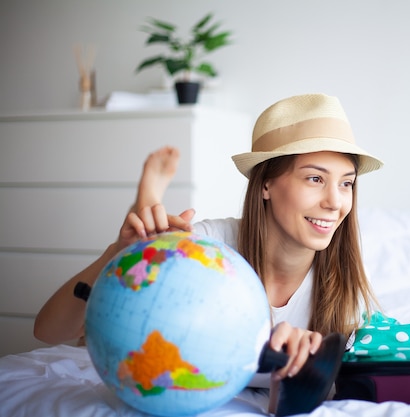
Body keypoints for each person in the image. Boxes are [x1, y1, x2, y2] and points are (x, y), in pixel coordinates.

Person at [34, 93, 384, 410]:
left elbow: (296, 403)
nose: (335, 203)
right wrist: (117, 254)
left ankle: (149, 199)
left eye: (347, 183)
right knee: (149, 240)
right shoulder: (205, 252)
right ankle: (148, 200)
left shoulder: (345, 290)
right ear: (265, 185)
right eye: (315, 179)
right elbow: (48, 333)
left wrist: (287, 385)